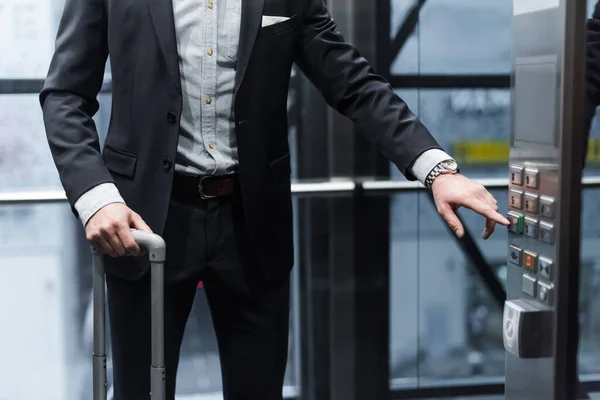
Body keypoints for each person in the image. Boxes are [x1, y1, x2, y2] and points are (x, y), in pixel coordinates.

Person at [40, 0, 509, 399]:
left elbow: (353, 82)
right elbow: (64, 95)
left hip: (252, 225)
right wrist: (97, 198)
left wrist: (436, 169)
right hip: (145, 223)